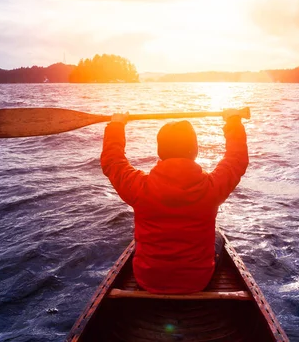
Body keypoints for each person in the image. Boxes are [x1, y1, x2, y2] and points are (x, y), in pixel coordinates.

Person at [100, 109, 249, 294]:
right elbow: (236, 159)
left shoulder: (139, 188)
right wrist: (233, 122)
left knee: (138, 242)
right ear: (195, 150)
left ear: (160, 151)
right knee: (218, 238)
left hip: (148, 279)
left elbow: (113, 161)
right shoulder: (211, 188)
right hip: (197, 282)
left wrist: (116, 125)